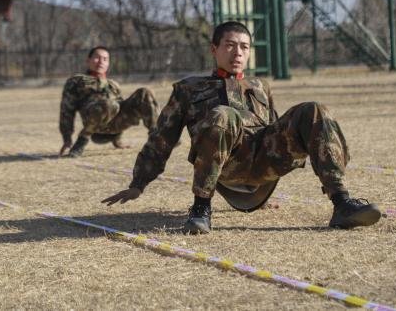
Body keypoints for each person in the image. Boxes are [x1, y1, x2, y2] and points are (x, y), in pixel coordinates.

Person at [102, 22, 381, 233]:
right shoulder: (189, 89)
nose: (237, 52)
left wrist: (265, 193)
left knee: (314, 109)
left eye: (244, 47)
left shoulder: (260, 86)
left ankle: (342, 203)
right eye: (229, 45)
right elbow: (161, 140)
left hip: (262, 162)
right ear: (214, 49)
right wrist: (138, 183)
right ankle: (200, 210)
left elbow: (274, 129)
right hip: (227, 165)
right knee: (224, 115)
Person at [59, 46, 159, 158]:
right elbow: (66, 111)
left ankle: (158, 137)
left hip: (114, 125)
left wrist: (118, 141)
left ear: (108, 63)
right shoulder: (76, 81)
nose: (101, 62)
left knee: (144, 92)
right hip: (95, 126)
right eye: (97, 58)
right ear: (88, 61)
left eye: (105, 59)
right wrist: (67, 139)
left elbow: (121, 109)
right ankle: (82, 141)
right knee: (109, 104)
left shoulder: (113, 84)